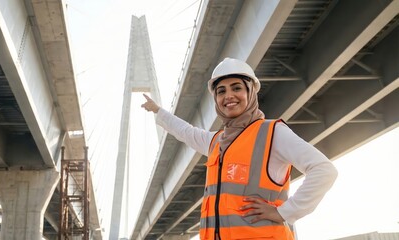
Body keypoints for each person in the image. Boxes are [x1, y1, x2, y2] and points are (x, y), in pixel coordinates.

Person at [141, 57, 337, 240]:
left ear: (250, 92)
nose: (229, 96)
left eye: (236, 88)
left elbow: (324, 170)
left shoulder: (272, 133)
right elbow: (186, 132)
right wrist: (158, 111)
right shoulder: (216, 142)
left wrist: (284, 212)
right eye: (221, 91)